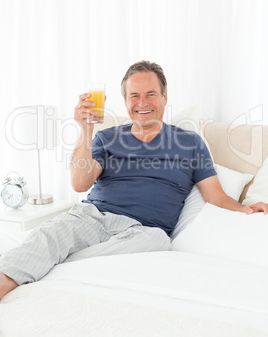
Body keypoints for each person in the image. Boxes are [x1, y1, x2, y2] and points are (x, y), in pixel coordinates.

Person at [0, 60, 267, 300]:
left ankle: (56, 263)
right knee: (51, 233)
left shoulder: (190, 143)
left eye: (150, 94)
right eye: (134, 96)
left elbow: (215, 196)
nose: (142, 103)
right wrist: (85, 130)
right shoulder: (106, 137)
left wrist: (246, 209)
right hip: (93, 217)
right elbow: (80, 184)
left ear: (164, 97)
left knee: (160, 242)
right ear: (126, 101)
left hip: (144, 231)